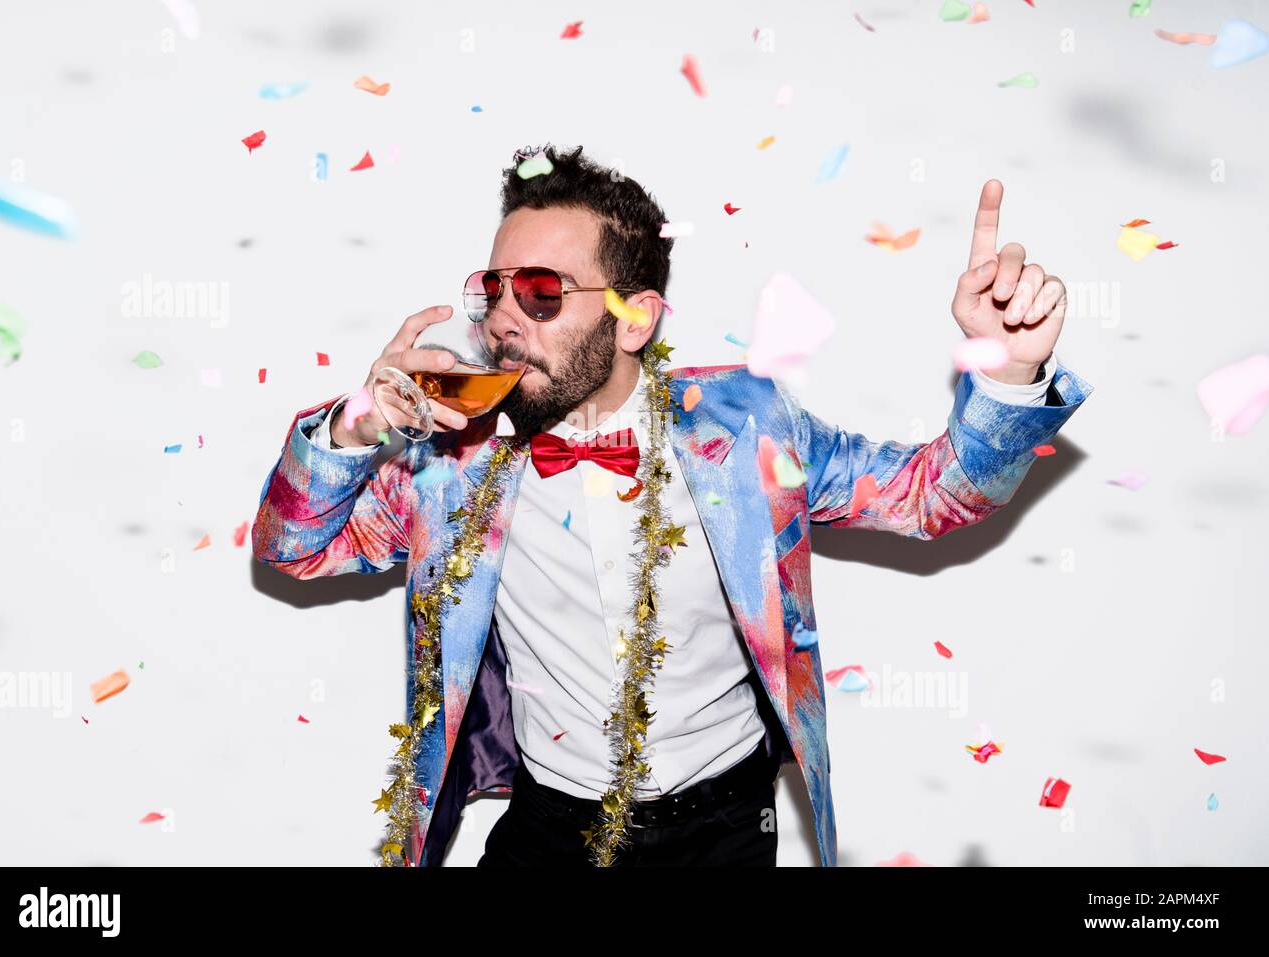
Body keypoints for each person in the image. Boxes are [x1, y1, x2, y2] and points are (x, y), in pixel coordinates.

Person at [252, 143, 1093, 867]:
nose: (506, 317)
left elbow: (931, 496)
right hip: (551, 825)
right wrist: (358, 422)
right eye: (495, 289)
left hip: (721, 827)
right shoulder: (454, 464)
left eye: (542, 290)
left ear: (633, 319)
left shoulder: (748, 429)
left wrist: (1006, 371)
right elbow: (291, 548)